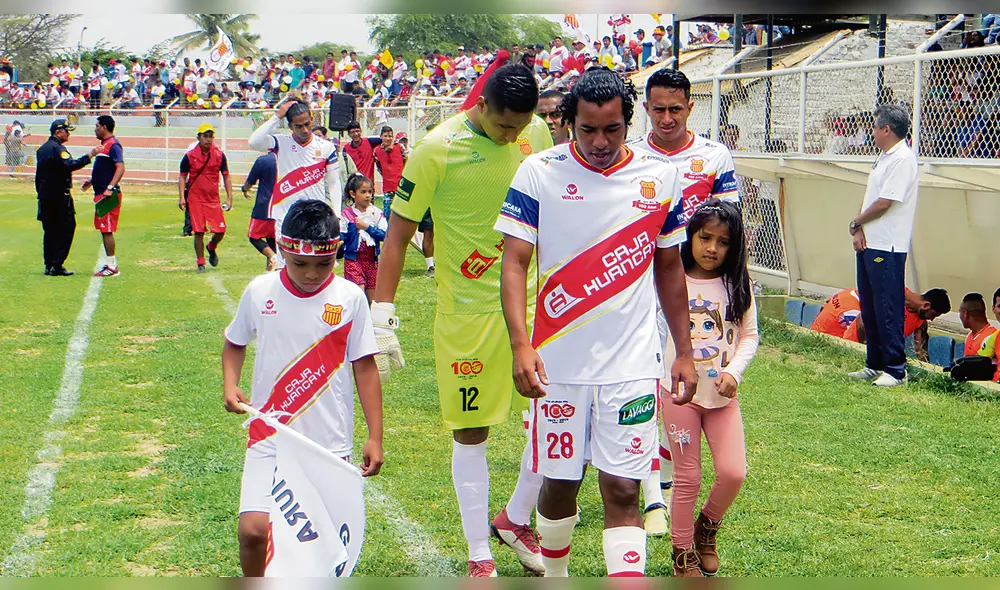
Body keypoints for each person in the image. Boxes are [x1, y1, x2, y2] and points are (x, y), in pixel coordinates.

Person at [494, 68, 697, 577]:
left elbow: (669, 268)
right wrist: (522, 345)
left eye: (612, 129)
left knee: (624, 487)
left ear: (629, 122)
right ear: (568, 123)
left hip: (630, 364)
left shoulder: (660, 178)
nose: (600, 142)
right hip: (557, 363)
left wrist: (685, 351)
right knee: (559, 483)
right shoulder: (538, 172)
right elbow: (514, 262)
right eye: (588, 130)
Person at [372, 63, 553, 577]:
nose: (514, 137)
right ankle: (479, 554)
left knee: (555, 416)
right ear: (481, 107)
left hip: (534, 304)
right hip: (467, 315)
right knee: (472, 431)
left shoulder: (533, 131)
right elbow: (399, 234)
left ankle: (517, 517)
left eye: (521, 129)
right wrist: (382, 312)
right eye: (504, 128)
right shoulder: (435, 149)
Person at [222, 199, 384, 577]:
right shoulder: (260, 291)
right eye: (300, 264)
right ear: (282, 250)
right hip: (269, 434)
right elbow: (235, 341)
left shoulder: (350, 298)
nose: (312, 274)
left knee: (323, 546)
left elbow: (365, 366)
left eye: (323, 264)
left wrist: (375, 435)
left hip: (327, 445)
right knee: (253, 530)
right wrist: (231, 384)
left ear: (336, 253)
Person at [633, 67, 740, 534]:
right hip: (640, 285)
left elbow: (731, 227)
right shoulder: (632, 155)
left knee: (682, 380)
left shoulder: (714, 156)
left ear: (690, 107)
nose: (667, 117)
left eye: (676, 108)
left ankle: (673, 480)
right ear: (646, 108)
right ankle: (653, 494)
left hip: (695, 293)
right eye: (658, 109)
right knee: (647, 382)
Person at [660, 200, 757, 577]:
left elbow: (749, 336)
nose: (712, 248)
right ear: (691, 236)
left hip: (721, 399)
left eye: (723, 241)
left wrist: (735, 370)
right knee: (688, 477)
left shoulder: (738, 283)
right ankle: (682, 553)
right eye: (705, 238)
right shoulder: (671, 279)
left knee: (733, 472)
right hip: (679, 396)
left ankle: (707, 528)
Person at [848, 105, 919, 387]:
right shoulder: (884, 157)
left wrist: (856, 222)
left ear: (887, 129)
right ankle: (874, 363)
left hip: (887, 245)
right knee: (870, 306)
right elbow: (870, 198)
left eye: (875, 127)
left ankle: (896, 369)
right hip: (869, 241)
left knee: (887, 307)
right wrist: (858, 226)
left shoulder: (903, 159)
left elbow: (885, 203)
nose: (873, 132)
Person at [248, 99, 341, 244]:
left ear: (311, 119)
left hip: (316, 216)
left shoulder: (326, 147)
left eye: (307, 124)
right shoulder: (280, 142)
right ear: (290, 126)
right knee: (285, 264)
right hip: (285, 214)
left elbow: (334, 183)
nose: (304, 130)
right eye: (298, 126)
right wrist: (277, 116)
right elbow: (254, 142)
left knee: (313, 264)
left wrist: (337, 214)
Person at [35, 119, 99, 276]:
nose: (68, 134)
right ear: (58, 132)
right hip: (59, 197)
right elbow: (70, 164)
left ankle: (49, 264)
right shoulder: (58, 149)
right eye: (66, 131)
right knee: (66, 227)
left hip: (45, 196)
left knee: (49, 230)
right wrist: (89, 155)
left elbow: (39, 176)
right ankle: (57, 264)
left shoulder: (42, 149)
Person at [178, 123, 232, 273]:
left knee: (220, 230)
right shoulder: (190, 156)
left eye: (211, 137)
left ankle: (211, 247)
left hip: (213, 199)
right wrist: (182, 197)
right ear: (199, 138)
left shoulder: (219, 155)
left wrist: (229, 198)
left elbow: (226, 176)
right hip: (195, 198)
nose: (208, 140)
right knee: (199, 231)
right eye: (205, 136)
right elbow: (183, 177)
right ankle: (200, 262)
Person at [84, 115, 125, 278]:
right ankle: (109, 262)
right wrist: (92, 181)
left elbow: (120, 168)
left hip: (108, 196)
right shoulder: (105, 146)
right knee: (103, 230)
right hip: (101, 193)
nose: (95, 129)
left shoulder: (113, 145)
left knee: (107, 230)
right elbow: (105, 170)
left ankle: (112, 265)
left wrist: (110, 187)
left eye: (97, 126)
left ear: (104, 127)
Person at [341, 174, 387, 303]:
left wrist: (367, 227)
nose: (368, 195)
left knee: (372, 296)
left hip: (372, 260)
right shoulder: (347, 214)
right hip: (353, 260)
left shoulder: (376, 213)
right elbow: (342, 235)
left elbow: (384, 234)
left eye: (370, 192)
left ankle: (371, 320)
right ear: (353, 194)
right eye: (363, 192)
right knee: (358, 293)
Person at [241, 152, 279, 272]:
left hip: (264, 206)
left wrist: (244, 189)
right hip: (282, 206)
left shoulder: (263, 160)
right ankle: (270, 272)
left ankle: (273, 257)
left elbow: (250, 181)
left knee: (254, 237)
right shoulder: (289, 159)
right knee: (273, 239)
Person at [373, 125, 404, 221]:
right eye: (385, 136)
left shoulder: (399, 147)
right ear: (381, 136)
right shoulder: (377, 151)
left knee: (403, 215)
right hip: (388, 188)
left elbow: (407, 161)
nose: (388, 138)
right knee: (388, 215)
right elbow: (379, 168)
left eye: (390, 136)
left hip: (401, 187)